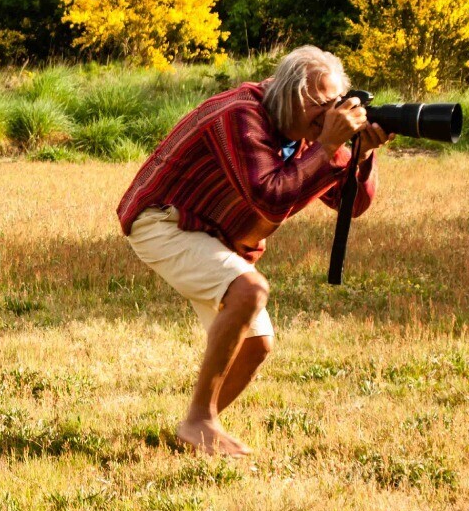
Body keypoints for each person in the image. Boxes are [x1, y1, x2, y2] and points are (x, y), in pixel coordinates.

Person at [117, 45, 391, 456]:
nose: (332, 115)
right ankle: (200, 422)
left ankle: (194, 429)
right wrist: (325, 147)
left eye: (338, 104)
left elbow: (352, 205)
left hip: (216, 232)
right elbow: (268, 199)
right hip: (162, 220)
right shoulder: (239, 115)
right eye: (324, 105)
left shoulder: (307, 132)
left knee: (256, 344)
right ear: (291, 96)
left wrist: (362, 155)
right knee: (250, 290)